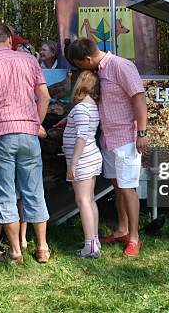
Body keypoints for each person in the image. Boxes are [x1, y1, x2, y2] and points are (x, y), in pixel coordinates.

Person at [0, 23, 51, 263]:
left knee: (5, 194)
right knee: (34, 190)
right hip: (28, 133)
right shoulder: (29, 61)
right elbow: (45, 96)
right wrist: (36, 123)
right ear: (9, 39)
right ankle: (42, 247)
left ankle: (15, 251)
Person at [66, 37, 148, 257]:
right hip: (108, 139)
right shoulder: (100, 70)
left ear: (88, 58)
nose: (79, 69)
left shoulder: (121, 66)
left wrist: (142, 133)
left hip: (126, 139)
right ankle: (122, 229)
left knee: (128, 188)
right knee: (117, 186)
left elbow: (139, 99)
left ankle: (134, 238)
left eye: (79, 64)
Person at [62, 70, 102, 258]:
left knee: (83, 201)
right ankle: (94, 240)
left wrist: (73, 162)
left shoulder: (80, 109)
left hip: (83, 159)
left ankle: (90, 246)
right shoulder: (91, 106)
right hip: (92, 157)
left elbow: (81, 136)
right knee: (90, 199)